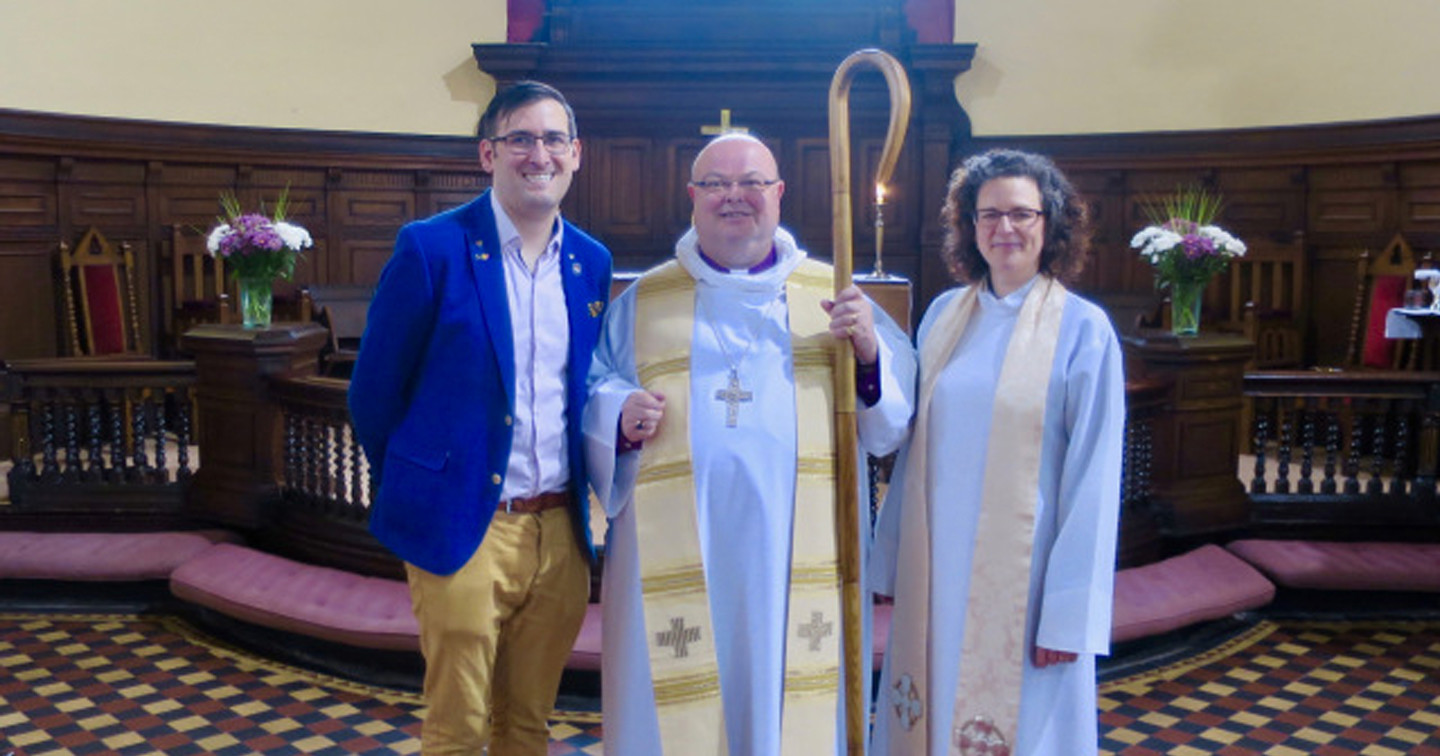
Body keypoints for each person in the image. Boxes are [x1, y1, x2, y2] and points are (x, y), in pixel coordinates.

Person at [583, 133, 916, 755]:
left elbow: (889, 425)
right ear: (692, 198)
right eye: (716, 184)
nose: (735, 196)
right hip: (677, 555)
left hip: (793, 556)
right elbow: (594, 389)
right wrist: (618, 414)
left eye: (753, 183)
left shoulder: (835, 296)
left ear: (780, 194)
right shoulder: (645, 301)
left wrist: (869, 352)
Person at [348, 81, 612, 755]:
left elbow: (584, 390)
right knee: (458, 729)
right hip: (466, 522)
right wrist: (424, 483)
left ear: (576, 154)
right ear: (487, 153)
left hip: (560, 533)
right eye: (520, 138)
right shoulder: (431, 248)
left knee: (527, 725)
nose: (538, 155)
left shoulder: (590, 262)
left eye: (554, 139)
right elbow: (373, 393)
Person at [869, 148, 1125, 756]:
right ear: (968, 226)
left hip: (1027, 584)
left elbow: (1094, 477)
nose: (1004, 228)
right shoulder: (942, 317)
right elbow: (910, 449)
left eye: (1021, 214)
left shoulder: (1083, 330)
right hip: (936, 572)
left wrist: (1068, 612)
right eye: (988, 215)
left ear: (1050, 224)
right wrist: (892, 560)